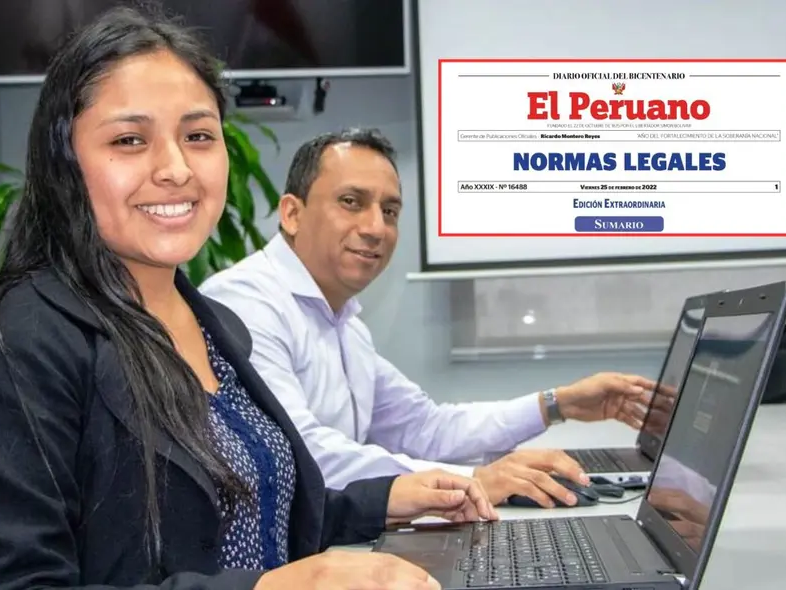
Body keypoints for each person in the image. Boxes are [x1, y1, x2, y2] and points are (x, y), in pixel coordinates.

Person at [0, 8, 499, 590]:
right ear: (65, 161)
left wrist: (381, 501)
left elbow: (246, 516)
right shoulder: (12, 346)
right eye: (130, 139)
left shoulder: (213, 325)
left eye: (198, 136)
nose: (174, 168)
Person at [199, 128, 657, 508]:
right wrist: (472, 480)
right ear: (292, 214)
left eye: (390, 211)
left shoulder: (345, 323)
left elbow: (427, 429)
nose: (376, 227)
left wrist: (557, 404)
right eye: (352, 202)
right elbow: (304, 453)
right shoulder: (245, 304)